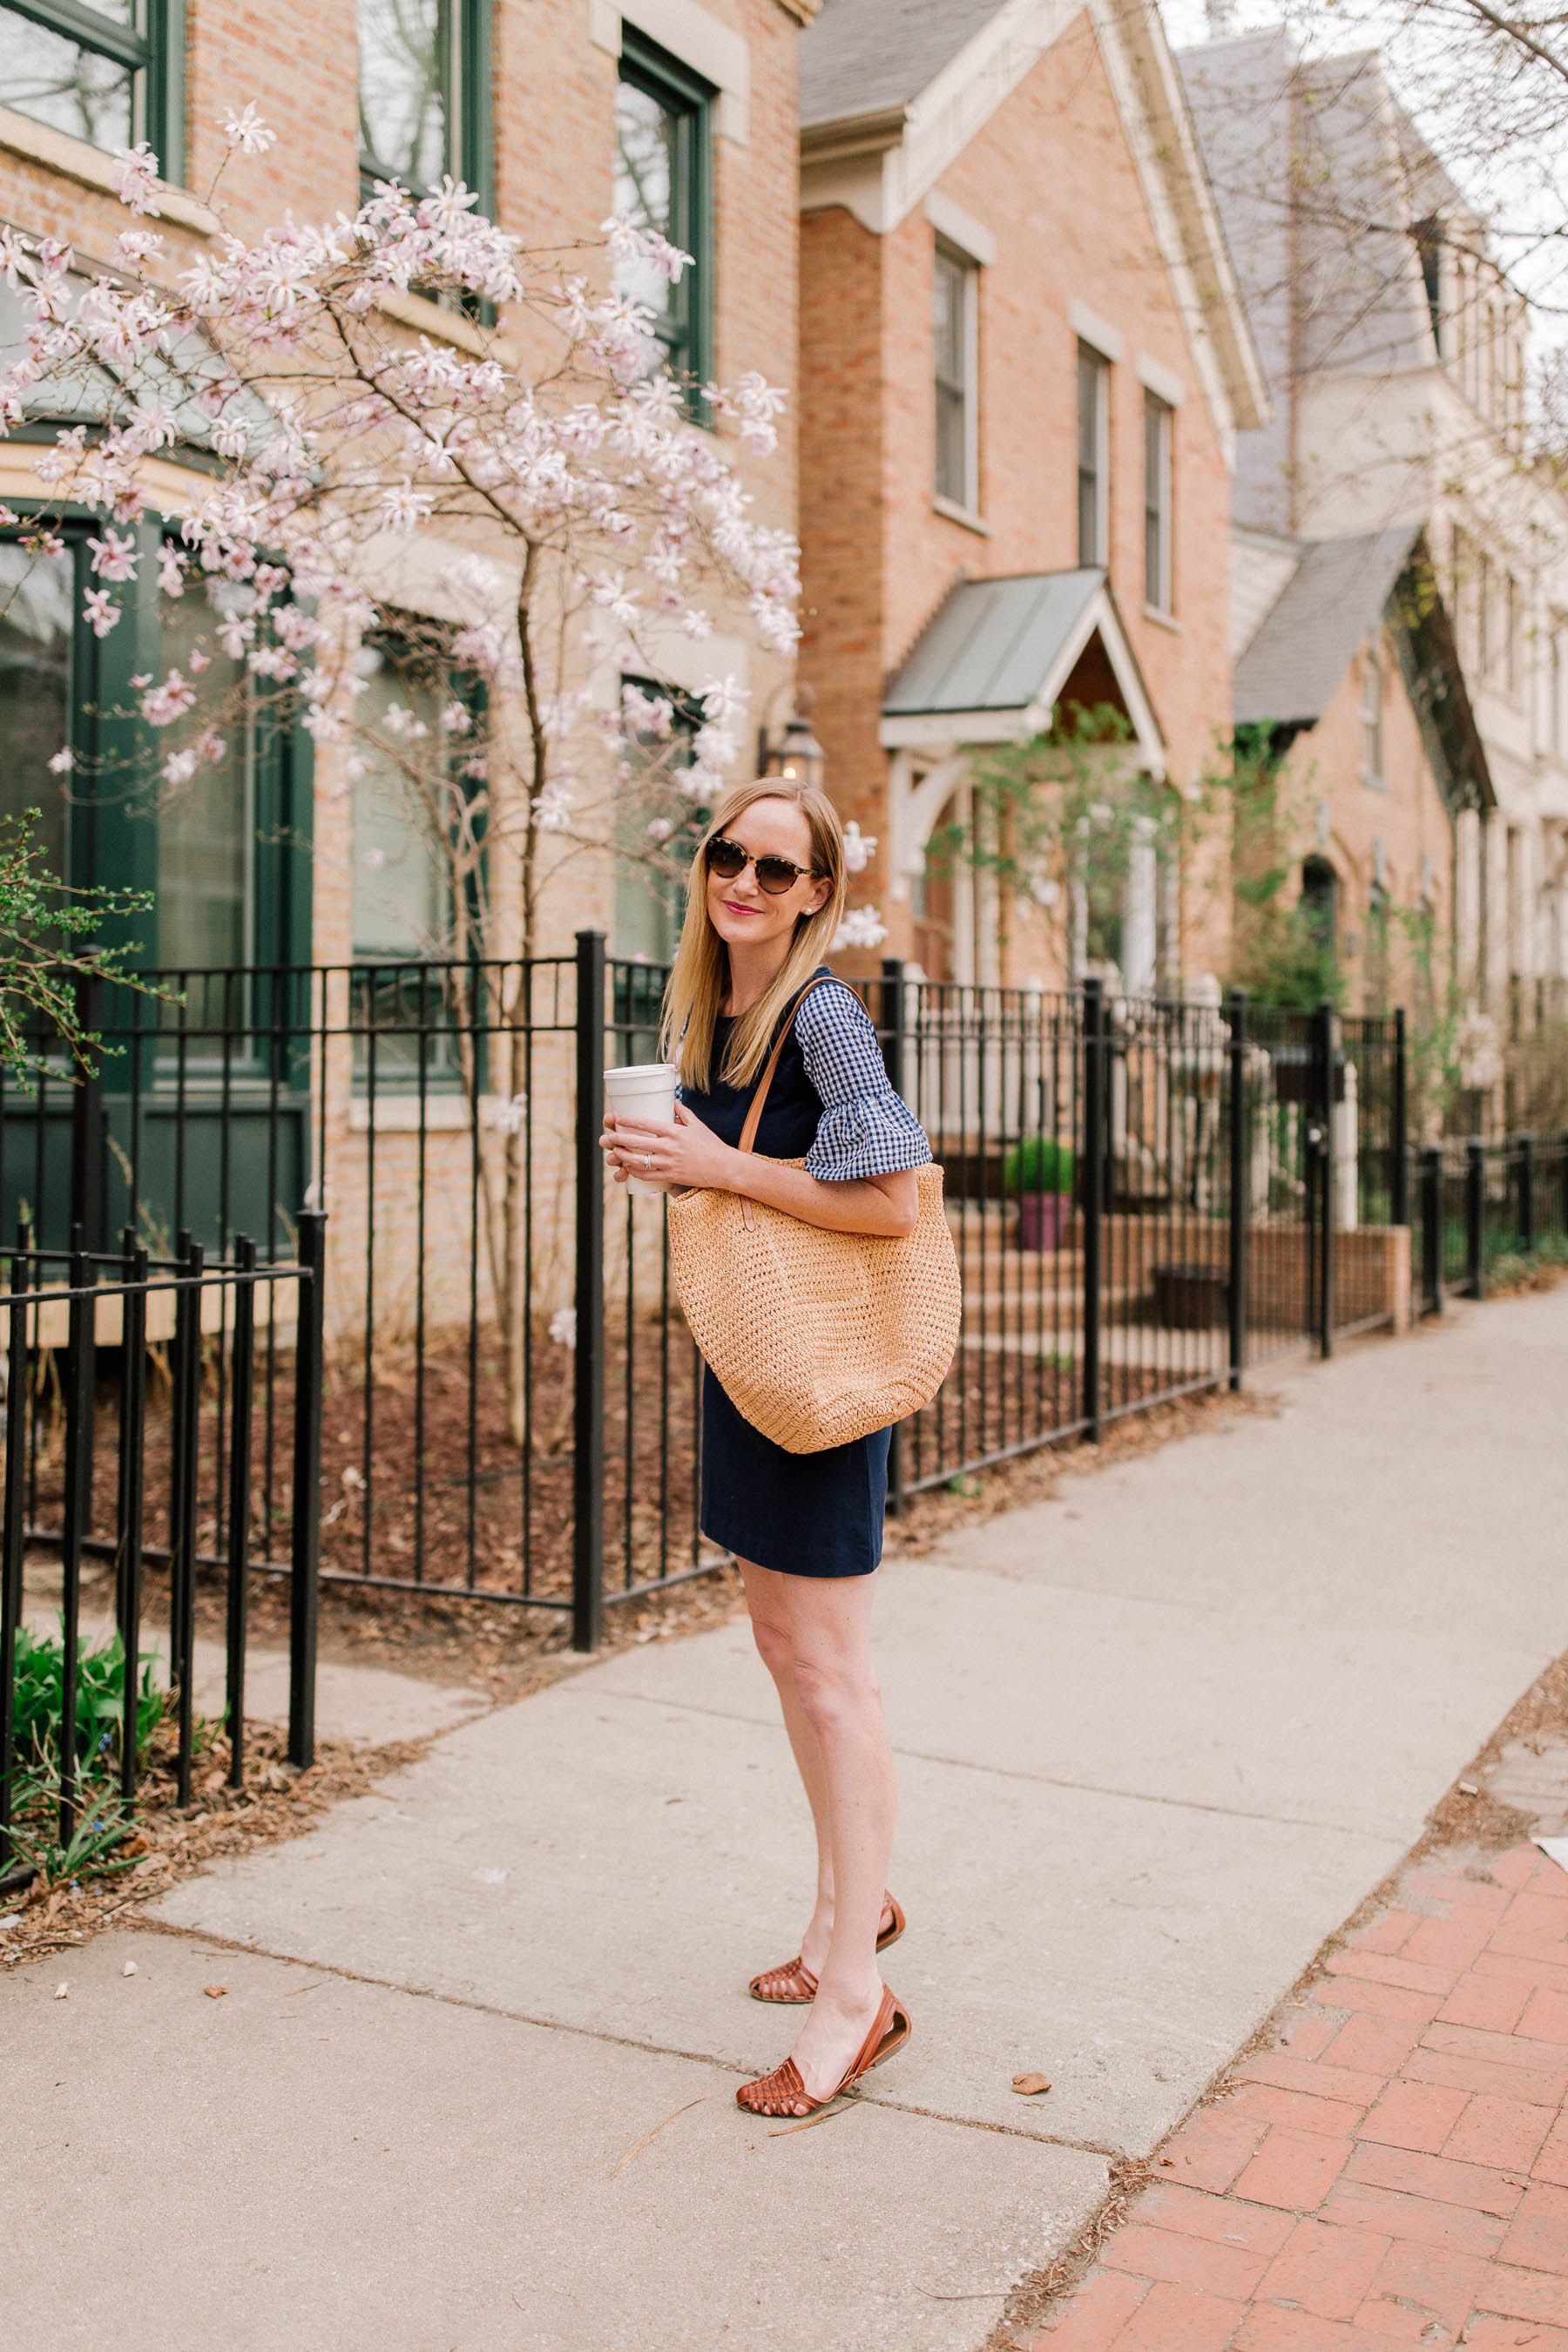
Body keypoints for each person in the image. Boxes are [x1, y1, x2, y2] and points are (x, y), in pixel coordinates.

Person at [600, 776, 932, 2119]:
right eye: (726, 855)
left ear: (815, 896)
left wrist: (720, 1171)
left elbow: (894, 1198)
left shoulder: (825, 1015)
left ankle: (862, 1995)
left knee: (834, 1675)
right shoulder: (718, 1008)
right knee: (786, 1654)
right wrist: (679, 1159)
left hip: (820, 1377)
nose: (743, 880)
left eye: (777, 868)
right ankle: (846, 1914)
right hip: (753, 1362)